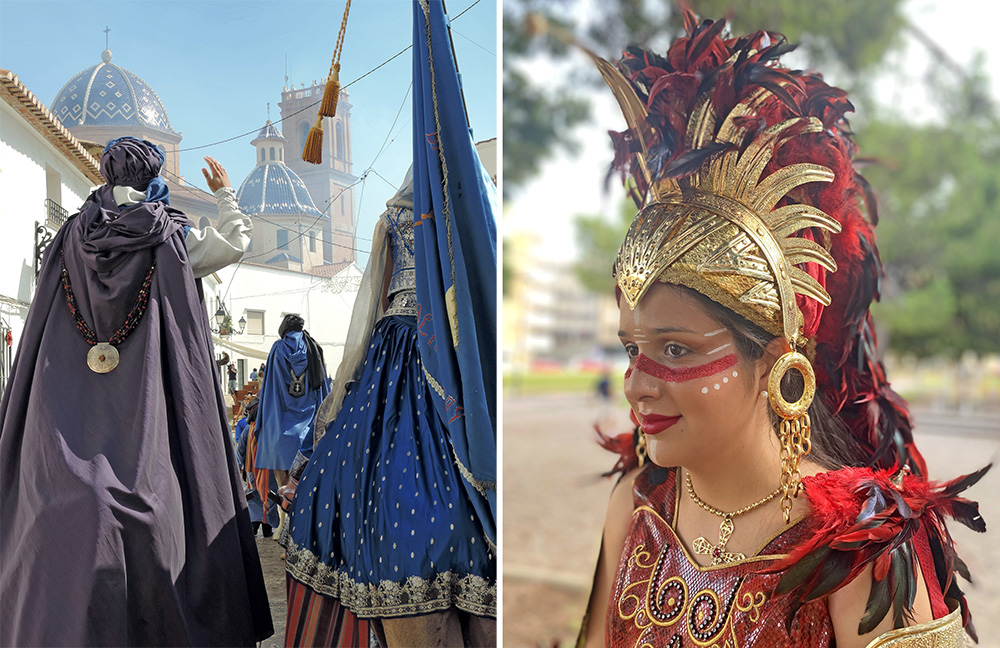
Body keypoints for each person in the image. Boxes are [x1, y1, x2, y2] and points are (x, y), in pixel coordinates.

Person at [572, 14, 988, 648]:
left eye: (675, 349)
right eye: (633, 349)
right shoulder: (634, 506)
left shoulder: (861, 550)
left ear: (774, 362)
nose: (635, 385)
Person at [0, 136, 272, 645]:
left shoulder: (69, 236)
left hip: (71, 418)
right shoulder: (170, 235)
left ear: (106, 174)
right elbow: (235, 241)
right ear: (153, 176)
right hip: (144, 417)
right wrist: (225, 194)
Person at [281, 169, 497, 647]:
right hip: (451, 346)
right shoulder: (479, 203)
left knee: (357, 474)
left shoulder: (393, 218)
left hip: (397, 349)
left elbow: (377, 303)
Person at [254, 314, 329, 492]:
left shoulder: (278, 348)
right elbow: (323, 388)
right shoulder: (312, 348)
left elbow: (270, 388)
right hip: (308, 429)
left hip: (280, 429)